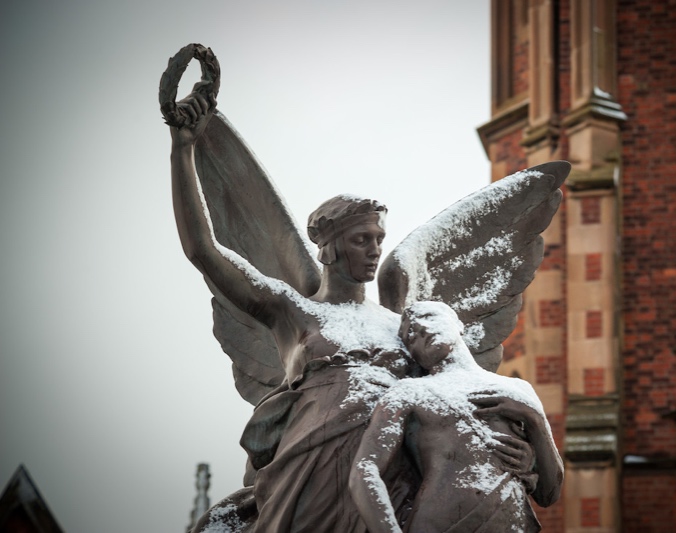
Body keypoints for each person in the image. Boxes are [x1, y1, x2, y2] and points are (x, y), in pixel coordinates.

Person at [171, 94, 536, 532]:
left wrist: (521, 456)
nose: (375, 249)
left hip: (387, 476)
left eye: (378, 238)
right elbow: (203, 250)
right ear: (329, 247)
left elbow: (456, 396)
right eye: (362, 239)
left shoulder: (403, 325)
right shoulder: (294, 312)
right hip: (310, 471)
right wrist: (182, 148)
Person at [349, 301, 564, 533]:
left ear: (458, 324)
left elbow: (549, 494)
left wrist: (533, 420)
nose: (420, 329)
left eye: (429, 317)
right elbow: (364, 469)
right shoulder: (409, 392)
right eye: (410, 337)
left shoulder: (518, 390)